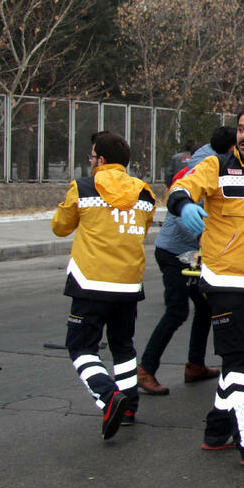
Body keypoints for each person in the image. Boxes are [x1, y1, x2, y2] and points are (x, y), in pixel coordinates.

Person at [166, 107, 244, 466]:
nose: (243, 135)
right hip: (222, 278)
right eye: (240, 128)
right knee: (238, 359)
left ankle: (216, 430)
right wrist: (183, 205)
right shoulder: (217, 167)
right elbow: (181, 186)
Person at [51, 131, 156, 440]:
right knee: (123, 346)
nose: (90, 161)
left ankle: (107, 395)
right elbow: (143, 226)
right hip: (128, 283)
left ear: (101, 160)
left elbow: (60, 227)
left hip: (90, 282)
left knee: (80, 346)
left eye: (92, 156)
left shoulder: (82, 187)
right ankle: (128, 407)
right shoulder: (145, 193)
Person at [137, 126, 236, 395]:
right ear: (229, 149)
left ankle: (195, 365)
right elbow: (182, 216)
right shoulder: (203, 168)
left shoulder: (220, 163)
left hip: (192, 253)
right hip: (173, 252)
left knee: (204, 309)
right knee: (177, 311)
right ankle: (145, 369)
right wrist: (207, 235)